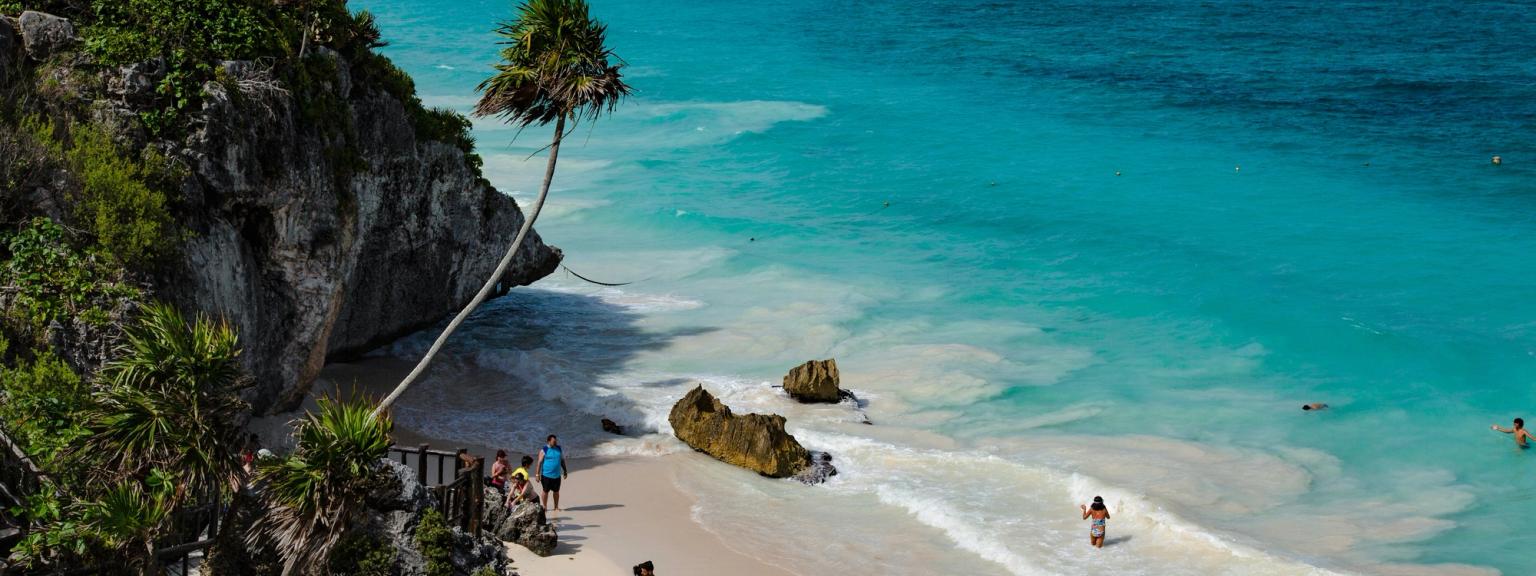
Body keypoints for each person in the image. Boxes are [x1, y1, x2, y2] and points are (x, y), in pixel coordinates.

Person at [535, 434, 568, 513]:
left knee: (556, 492)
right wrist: (537, 474)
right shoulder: (544, 450)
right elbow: (539, 463)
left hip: (557, 475)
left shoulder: (559, 448)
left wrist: (565, 471)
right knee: (545, 491)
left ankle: (556, 507)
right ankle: (545, 506)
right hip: (546, 475)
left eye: (556, 441)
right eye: (554, 441)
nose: (555, 442)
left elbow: (562, 460)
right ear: (548, 441)